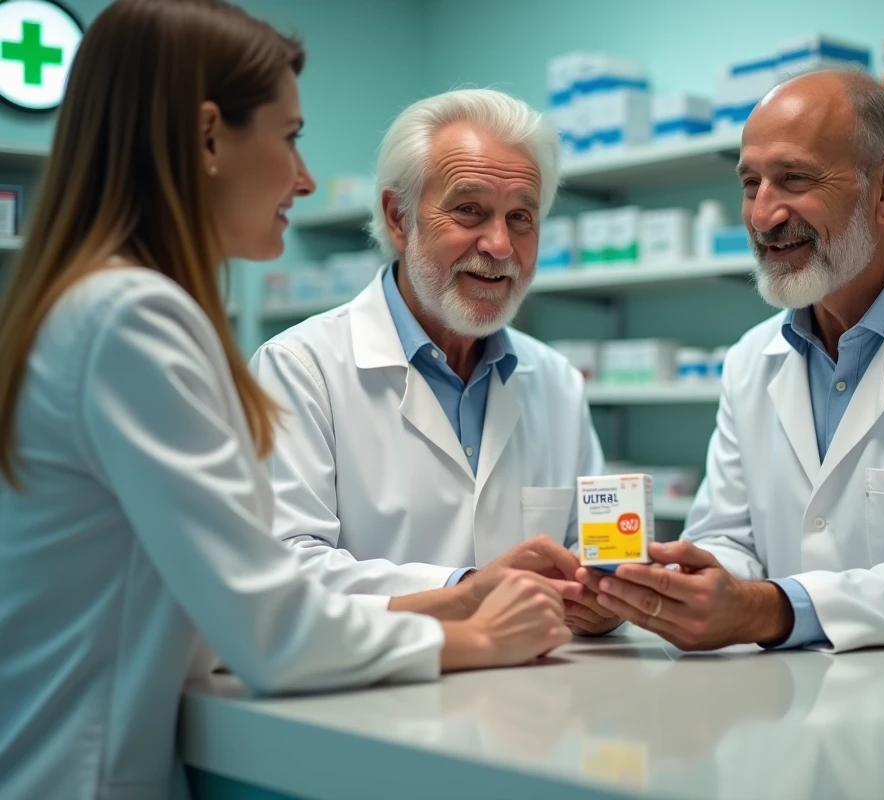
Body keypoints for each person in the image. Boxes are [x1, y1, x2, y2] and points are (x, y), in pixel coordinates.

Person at [0, 3, 572, 797]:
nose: (303, 177)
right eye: (291, 135)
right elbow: (267, 625)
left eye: (524, 218)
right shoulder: (133, 318)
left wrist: (481, 595)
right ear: (208, 138)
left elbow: (223, 608)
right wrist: (476, 631)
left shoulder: (95, 303)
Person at [582, 69, 884, 654]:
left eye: (793, 179)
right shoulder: (751, 360)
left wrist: (768, 609)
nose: (763, 216)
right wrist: (674, 581)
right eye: (750, 183)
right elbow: (729, 537)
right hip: (798, 708)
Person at [250, 88, 621, 636]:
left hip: (535, 698)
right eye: (469, 210)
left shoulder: (557, 383)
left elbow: (593, 549)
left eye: (522, 217)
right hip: (370, 696)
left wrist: (608, 596)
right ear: (398, 218)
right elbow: (285, 571)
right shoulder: (300, 369)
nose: (499, 244)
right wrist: (465, 593)